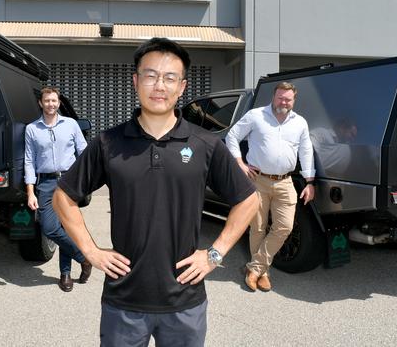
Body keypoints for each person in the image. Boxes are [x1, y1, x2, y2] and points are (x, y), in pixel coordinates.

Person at [52, 38, 259, 346]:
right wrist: (91, 251)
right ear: (136, 81)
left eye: (169, 77)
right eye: (150, 75)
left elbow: (248, 199)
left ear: (182, 86)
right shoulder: (109, 143)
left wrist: (214, 254)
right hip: (123, 301)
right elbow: (62, 197)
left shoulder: (205, 144)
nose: (159, 85)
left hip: (185, 301)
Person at [225, 81, 315, 292]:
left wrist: (310, 181)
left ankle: (255, 268)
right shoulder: (256, 116)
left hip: (286, 181)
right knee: (257, 227)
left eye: (288, 98)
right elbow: (232, 136)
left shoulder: (299, 122)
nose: (283, 101)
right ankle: (263, 273)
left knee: (285, 226)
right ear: (273, 97)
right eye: (280, 97)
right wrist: (239, 163)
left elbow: (306, 150)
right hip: (257, 180)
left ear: (294, 100)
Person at [24, 86, 92, 292]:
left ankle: (65, 274)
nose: (50, 104)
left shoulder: (70, 125)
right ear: (41, 103)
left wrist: (85, 180)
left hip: (69, 182)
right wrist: (30, 191)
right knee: (49, 228)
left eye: (54, 101)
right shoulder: (32, 129)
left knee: (66, 228)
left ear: (59, 103)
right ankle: (85, 258)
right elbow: (29, 161)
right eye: (47, 101)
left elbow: (84, 152)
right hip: (45, 183)